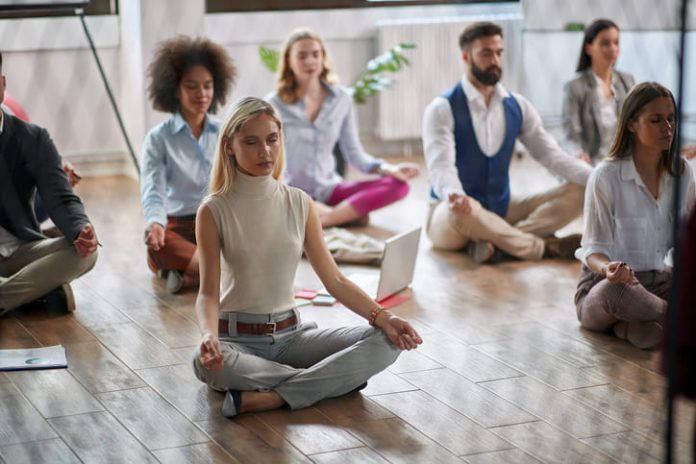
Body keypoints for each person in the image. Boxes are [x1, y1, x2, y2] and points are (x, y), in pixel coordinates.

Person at [192, 97, 422, 418]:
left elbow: (336, 280)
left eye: (272, 140)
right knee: (205, 366)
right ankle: (329, 381)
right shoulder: (213, 209)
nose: (265, 152)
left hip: (292, 339)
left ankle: (271, 397)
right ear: (229, 146)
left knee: (387, 341)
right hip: (236, 342)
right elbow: (207, 293)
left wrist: (385, 317)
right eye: (251, 142)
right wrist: (208, 336)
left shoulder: (300, 203)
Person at [422, 21, 593, 263]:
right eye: (486, 53)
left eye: (499, 52)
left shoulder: (518, 106)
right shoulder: (442, 108)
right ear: (466, 56)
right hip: (451, 216)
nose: (495, 60)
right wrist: (454, 194)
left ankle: (496, 244)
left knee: (583, 188)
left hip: (500, 210)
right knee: (462, 210)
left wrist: (598, 179)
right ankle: (544, 247)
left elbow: (552, 156)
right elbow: (440, 166)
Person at [574, 82, 695, 349]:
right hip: (607, 287)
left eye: (671, 119)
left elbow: (688, 240)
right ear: (631, 124)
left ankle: (630, 327)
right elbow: (592, 250)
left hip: (659, 281)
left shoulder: (682, 172)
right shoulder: (605, 176)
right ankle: (679, 322)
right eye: (656, 120)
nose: (668, 127)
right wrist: (609, 269)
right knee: (617, 293)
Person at [266, 28, 420, 228]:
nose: (310, 61)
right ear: (288, 61)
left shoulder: (341, 99)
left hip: (329, 190)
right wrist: (284, 192)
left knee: (399, 186)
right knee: (282, 204)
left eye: (315, 54)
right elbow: (270, 157)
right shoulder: (274, 104)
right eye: (302, 56)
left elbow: (354, 154)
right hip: (290, 193)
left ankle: (327, 218)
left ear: (323, 58)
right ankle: (344, 216)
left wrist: (388, 168)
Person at [0, 50, 98, 316]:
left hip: (23, 250)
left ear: (3, 84)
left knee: (85, 252)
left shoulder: (34, 138)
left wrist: (80, 230)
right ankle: (38, 293)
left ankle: (10, 296)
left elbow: (61, 198)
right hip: (26, 268)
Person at [140, 36, 236, 293]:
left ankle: (191, 276)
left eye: (207, 85)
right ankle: (225, 275)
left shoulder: (226, 132)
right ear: (175, 89)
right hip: (178, 227)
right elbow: (153, 190)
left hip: (218, 223)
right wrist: (155, 224)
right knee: (158, 245)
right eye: (192, 86)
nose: (202, 94)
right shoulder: (158, 138)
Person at [562, 19, 635, 165]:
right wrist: (578, 154)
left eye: (616, 42)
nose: (613, 48)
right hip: (592, 165)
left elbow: (638, 126)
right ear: (589, 48)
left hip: (624, 162)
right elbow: (571, 136)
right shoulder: (575, 87)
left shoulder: (627, 81)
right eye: (605, 43)